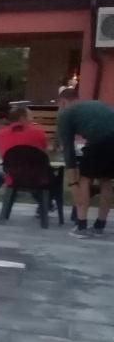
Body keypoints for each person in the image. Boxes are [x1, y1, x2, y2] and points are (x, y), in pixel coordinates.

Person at [58, 94, 114, 238]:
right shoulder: (94, 104)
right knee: (106, 181)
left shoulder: (65, 114)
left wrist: (72, 183)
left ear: (63, 102)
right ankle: (100, 225)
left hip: (98, 140)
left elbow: (68, 149)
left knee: (85, 180)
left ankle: (81, 226)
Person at [0, 106, 52, 212]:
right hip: (37, 177)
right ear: (22, 118)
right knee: (52, 176)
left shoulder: (0, 134)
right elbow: (45, 154)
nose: (31, 120)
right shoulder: (37, 132)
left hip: (12, 175)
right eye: (30, 117)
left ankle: (44, 204)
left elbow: (2, 153)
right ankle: (45, 204)